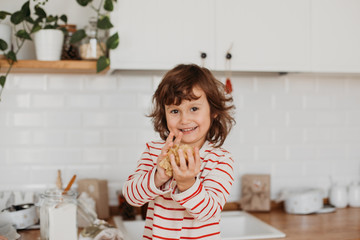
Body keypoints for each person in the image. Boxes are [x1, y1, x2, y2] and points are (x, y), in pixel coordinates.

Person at [122, 64, 235, 240]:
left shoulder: (220, 160)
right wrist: (158, 176)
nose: (184, 119)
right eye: (175, 111)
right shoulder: (155, 152)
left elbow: (208, 212)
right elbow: (131, 196)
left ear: (213, 111)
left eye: (194, 109)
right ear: (164, 114)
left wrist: (187, 183)